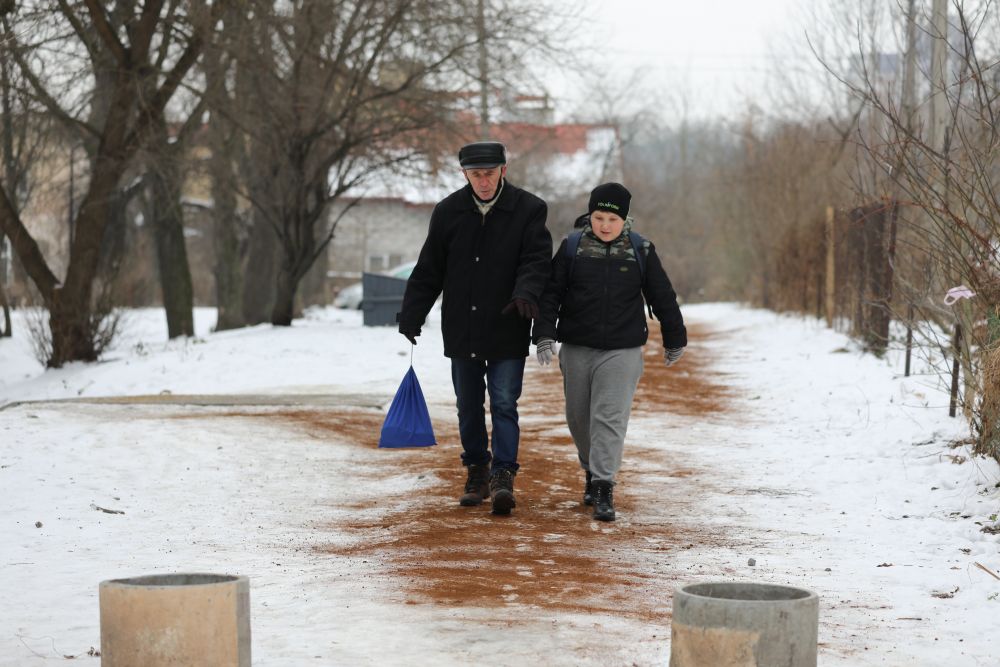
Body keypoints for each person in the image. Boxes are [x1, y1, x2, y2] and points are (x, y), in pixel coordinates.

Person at [397, 141, 551, 515]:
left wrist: (526, 291)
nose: (483, 182)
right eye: (476, 174)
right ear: (464, 174)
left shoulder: (529, 209)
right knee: (467, 405)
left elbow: (536, 260)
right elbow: (430, 268)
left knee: (504, 403)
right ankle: (477, 472)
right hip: (462, 326)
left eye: (490, 173)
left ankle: (503, 476)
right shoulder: (448, 211)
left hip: (507, 323)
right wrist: (412, 313)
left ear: (503, 171)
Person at [532, 182, 686, 521]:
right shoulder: (572, 247)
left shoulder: (640, 249)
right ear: (590, 215)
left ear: (624, 219)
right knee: (579, 418)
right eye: (599, 217)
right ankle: (591, 468)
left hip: (622, 349)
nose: (605, 225)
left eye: (612, 219)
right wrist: (543, 333)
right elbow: (551, 293)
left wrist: (675, 336)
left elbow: (662, 295)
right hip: (577, 346)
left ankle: (603, 485)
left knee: (609, 418)